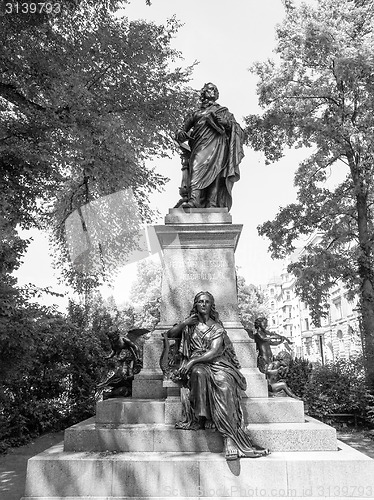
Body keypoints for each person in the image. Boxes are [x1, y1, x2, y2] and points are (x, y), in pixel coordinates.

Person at [166, 291, 269, 461]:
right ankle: (203, 417)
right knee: (198, 373)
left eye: (207, 301)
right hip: (198, 365)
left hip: (216, 362)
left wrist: (191, 362)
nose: (203, 304)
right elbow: (170, 334)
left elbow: (214, 352)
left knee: (224, 383)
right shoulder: (190, 325)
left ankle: (230, 438)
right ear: (196, 305)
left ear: (211, 305)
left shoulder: (217, 327)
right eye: (200, 301)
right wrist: (185, 323)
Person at [175, 83, 244, 210]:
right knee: (196, 168)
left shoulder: (223, 111)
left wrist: (226, 123)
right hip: (199, 145)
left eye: (214, 90)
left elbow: (238, 130)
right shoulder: (196, 113)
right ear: (203, 93)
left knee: (216, 172)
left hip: (218, 145)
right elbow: (181, 131)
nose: (212, 91)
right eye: (209, 89)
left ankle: (212, 203)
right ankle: (194, 200)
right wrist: (181, 134)